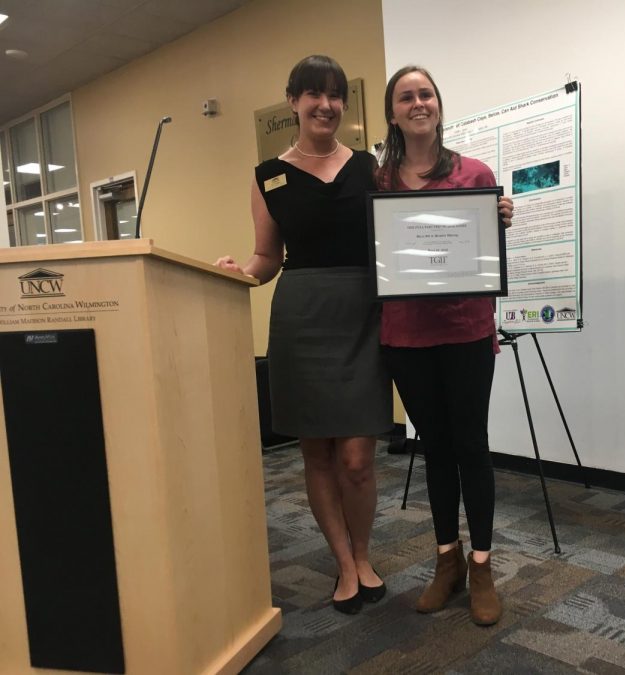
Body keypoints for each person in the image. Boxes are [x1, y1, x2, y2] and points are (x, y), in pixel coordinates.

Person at [216, 55, 392, 615]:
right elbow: (267, 257)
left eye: (335, 95)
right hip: (301, 317)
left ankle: (364, 554)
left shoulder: (371, 165)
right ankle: (345, 564)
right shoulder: (267, 174)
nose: (326, 105)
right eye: (313, 94)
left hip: (363, 313)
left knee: (359, 455)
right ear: (292, 101)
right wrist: (240, 273)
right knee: (316, 451)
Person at [377, 65, 513, 626]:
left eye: (425, 94)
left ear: (438, 104)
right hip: (405, 337)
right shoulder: (378, 184)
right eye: (406, 97)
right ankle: (446, 561)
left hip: (465, 331)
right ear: (393, 112)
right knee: (433, 449)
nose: (417, 103)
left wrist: (498, 218)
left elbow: (483, 249)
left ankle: (481, 566)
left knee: (471, 446)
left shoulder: (474, 172)